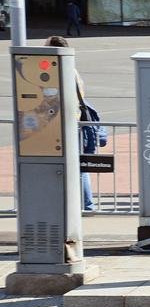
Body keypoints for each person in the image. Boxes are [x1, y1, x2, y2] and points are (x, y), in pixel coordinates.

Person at [46, 36, 94, 210]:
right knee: (79, 166)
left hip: (67, 124)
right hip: (74, 122)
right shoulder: (71, 69)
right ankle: (86, 204)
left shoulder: (62, 70)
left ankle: (85, 204)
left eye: (46, 47)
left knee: (75, 166)